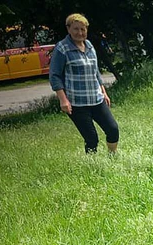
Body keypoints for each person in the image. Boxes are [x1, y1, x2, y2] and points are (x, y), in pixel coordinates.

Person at [49, 13, 119, 153]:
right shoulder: (62, 48)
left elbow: (96, 72)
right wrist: (63, 100)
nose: (80, 33)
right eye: (76, 29)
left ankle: (113, 157)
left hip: (96, 99)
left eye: (83, 29)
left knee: (113, 129)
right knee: (92, 138)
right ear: (68, 29)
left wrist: (104, 92)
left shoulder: (89, 46)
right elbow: (55, 76)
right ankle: (92, 167)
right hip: (77, 103)